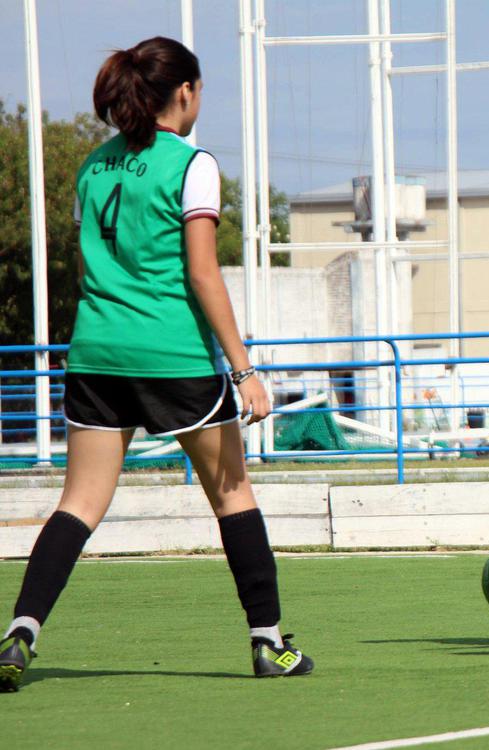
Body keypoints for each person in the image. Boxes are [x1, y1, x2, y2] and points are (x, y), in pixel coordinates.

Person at [0, 37, 312, 692]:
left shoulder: (94, 167)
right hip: (173, 356)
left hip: (95, 353)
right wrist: (244, 368)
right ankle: (268, 644)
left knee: (78, 504)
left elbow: (89, 268)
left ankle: (20, 633)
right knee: (232, 496)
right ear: (186, 92)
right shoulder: (192, 164)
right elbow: (202, 272)